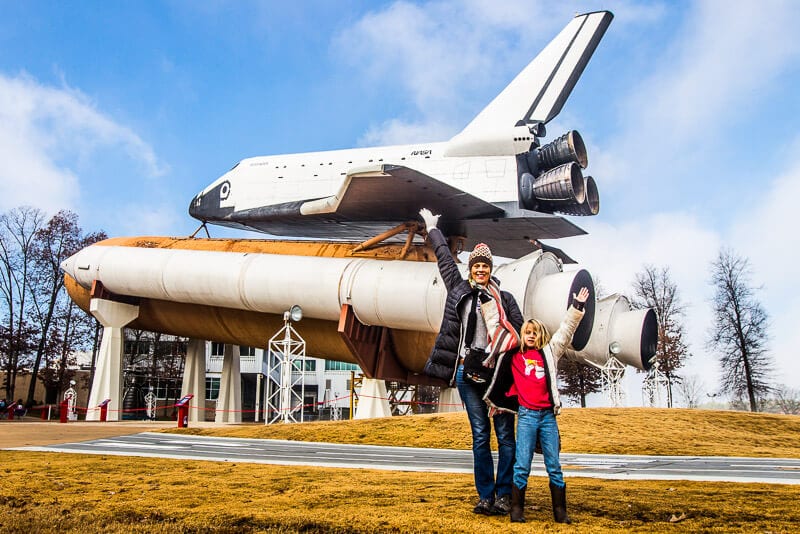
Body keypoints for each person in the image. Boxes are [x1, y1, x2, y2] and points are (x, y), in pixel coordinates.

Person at [419, 208, 523, 516]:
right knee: (480, 434)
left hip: (498, 375)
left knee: (505, 436)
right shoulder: (459, 289)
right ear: (471, 269)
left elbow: (518, 333)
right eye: (476, 265)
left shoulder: (506, 300)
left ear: (490, 270)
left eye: (485, 266)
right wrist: (432, 228)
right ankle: (485, 496)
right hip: (467, 372)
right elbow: (444, 259)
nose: (480, 270)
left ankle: (504, 495)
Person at [485, 286, 589, 524]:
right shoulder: (514, 356)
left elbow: (565, 331)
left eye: (534, 332)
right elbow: (495, 328)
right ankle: (517, 511)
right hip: (527, 416)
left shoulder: (549, 353)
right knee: (522, 465)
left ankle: (560, 512)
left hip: (547, 418)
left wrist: (577, 307)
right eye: (527, 332)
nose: (530, 335)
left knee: (554, 464)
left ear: (540, 334)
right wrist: (488, 303)